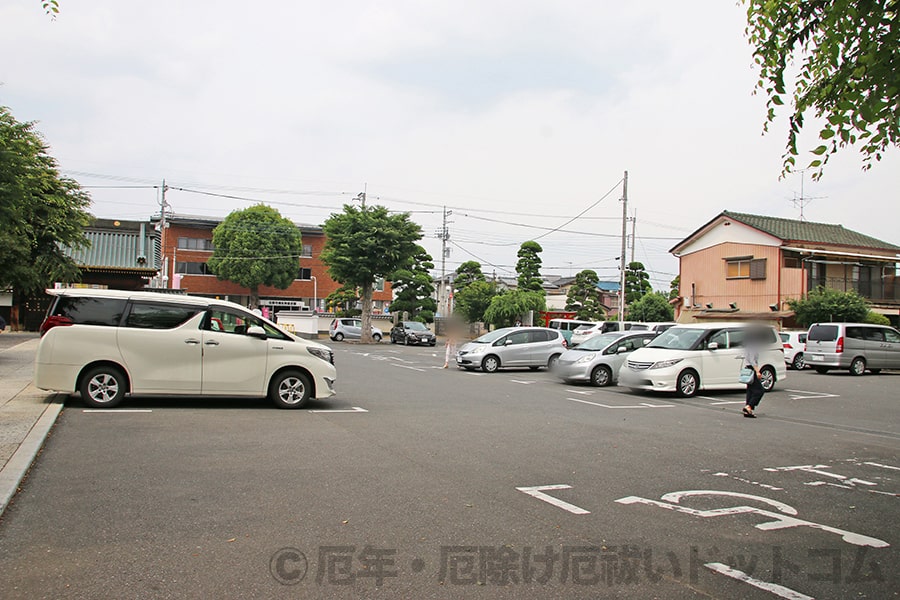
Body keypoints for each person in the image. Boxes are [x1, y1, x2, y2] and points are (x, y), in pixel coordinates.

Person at [742, 329, 765, 418]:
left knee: (750, 390)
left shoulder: (748, 346)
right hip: (752, 369)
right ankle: (749, 406)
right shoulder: (752, 346)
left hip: (748, 368)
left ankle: (748, 409)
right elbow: (752, 360)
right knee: (760, 390)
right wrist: (757, 371)